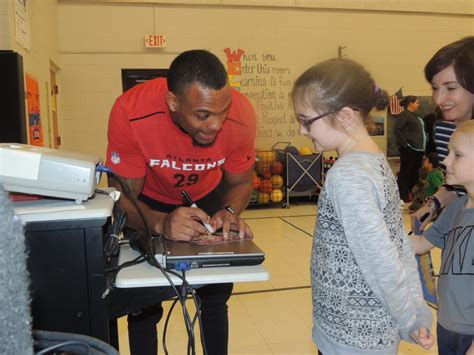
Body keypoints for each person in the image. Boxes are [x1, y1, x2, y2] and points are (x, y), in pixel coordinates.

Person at [105, 50, 256, 355]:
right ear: (173, 102)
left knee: (215, 293)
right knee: (142, 299)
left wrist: (228, 211)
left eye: (222, 111)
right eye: (203, 115)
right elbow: (121, 198)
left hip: (208, 196)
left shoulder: (242, 114)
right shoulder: (131, 111)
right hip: (147, 199)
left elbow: (241, 183)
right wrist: (161, 222)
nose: (215, 124)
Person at [291, 58, 434, 355]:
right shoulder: (374, 161)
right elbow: (399, 245)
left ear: (343, 115)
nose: (303, 131)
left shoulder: (348, 175)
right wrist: (416, 313)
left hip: (353, 338)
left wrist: (411, 317)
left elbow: (381, 259)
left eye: (306, 120)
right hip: (360, 332)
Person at [409, 120, 474, 355]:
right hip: (447, 326)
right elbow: (421, 244)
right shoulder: (455, 208)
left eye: (457, 154)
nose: (445, 160)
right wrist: (379, 234)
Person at [412, 36, 474, 231]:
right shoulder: (444, 129)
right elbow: (456, 185)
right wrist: (433, 205)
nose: (439, 99)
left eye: (451, 88)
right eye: (434, 88)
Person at [395, 95, 426, 204]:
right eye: (416, 102)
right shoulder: (404, 115)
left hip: (418, 149)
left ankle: (410, 195)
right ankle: (401, 196)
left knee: (414, 173)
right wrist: (405, 145)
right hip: (410, 149)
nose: (418, 105)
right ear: (410, 103)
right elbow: (397, 130)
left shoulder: (416, 116)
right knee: (405, 172)